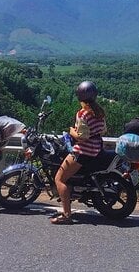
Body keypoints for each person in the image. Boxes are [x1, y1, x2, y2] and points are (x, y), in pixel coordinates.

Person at [51, 80, 107, 224]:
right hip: (96, 149)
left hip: (83, 151)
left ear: (79, 96)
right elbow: (103, 130)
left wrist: (71, 131)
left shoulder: (82, 114)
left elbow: (82, 138)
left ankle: (66, 215)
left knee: (59, 179)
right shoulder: (100, 112)